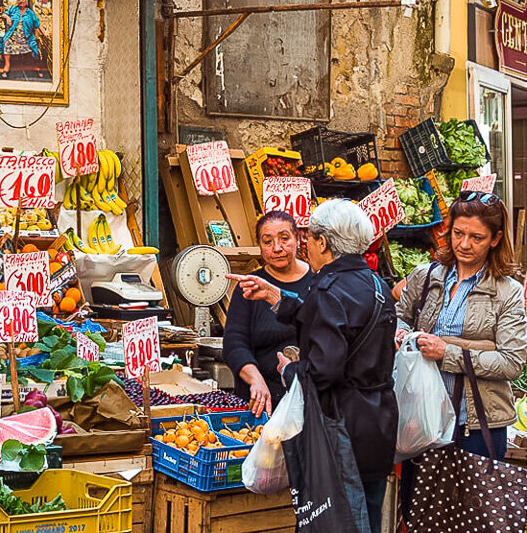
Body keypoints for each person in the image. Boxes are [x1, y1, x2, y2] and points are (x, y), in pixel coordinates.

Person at [229, 199, 397, 533]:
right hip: (378, 422)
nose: (306, 245)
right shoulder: (377, 285)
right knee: (370, 514)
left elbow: (324, 370)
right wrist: (279, 298)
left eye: (309, 239)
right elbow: (337, 320)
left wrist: (288, 371)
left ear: (323, 242)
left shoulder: (327, 288)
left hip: (340, 426)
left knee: (337, 521)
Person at [395, 191, 526, 461]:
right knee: (419, 502)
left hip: (478, 426)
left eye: (476, 237)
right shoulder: (426, 275)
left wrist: (447, 352)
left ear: (496, 239)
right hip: (422, 418)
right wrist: (399, 332)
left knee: (473, 503)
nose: (464, 244)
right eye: (457, 233)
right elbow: (398, 317)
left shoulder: (507, 291)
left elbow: (512, 362)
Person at [223, 211, 313, 417]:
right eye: (267, 241)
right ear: (259, 245)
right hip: (262, 401)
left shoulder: (318, 282)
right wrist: (256, 379)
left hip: (310, 398)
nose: (277, 248)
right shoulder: (249, 286)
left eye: (284, 238)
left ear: (298, 238)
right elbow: (234, 343)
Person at [2, 0, 46, 78]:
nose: (21, 1)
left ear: (26, 1)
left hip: (26, 38)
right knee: (6, 43)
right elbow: (4, 14)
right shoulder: (13, 9)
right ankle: (7, 66)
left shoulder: (30, 13)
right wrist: (7, 18)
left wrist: (44, 33)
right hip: (13, 37)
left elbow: (37, 23)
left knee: (34, 48)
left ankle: (37, 67)